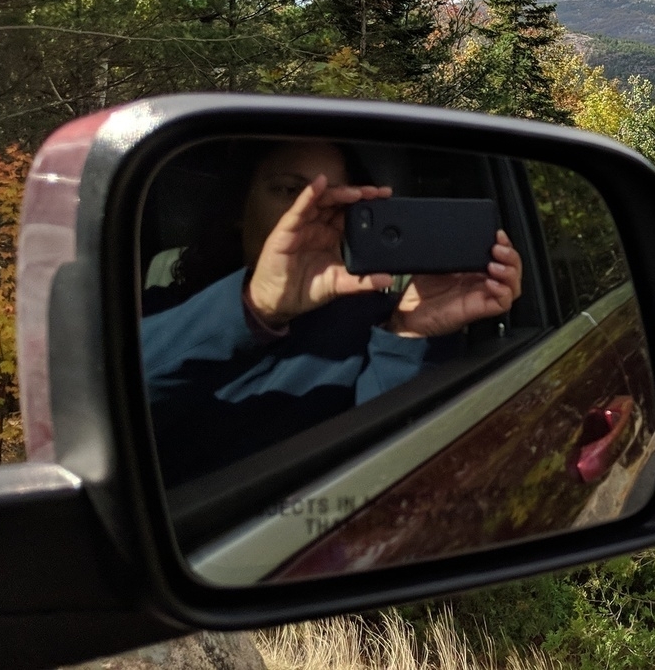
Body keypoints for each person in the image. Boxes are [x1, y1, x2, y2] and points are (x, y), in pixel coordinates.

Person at [141, 140, 523, 484]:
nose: (313, 212)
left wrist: (409, 331)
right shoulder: (149, 311)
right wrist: (254, 307)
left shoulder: (374, 328)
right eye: (290, 190)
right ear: (239, 207)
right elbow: (106, 399)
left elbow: (387, 470)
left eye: (335, 200)